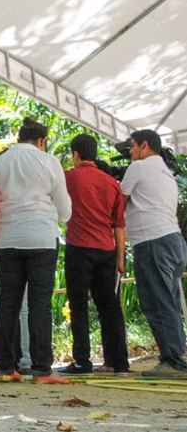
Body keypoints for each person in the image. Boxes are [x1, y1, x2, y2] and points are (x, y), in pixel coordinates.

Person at [0, 118, 71, 383]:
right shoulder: (49, 162)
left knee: (8, 302)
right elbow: (65, 210)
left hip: (6, 239)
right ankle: (41, 370)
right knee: (39, 304)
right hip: (41, 239)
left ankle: (5, 368)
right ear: (42, 141)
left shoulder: (0, 163)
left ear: (19, 137)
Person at [59, 133, 129, 375]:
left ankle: (82, 362)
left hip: (79, 248)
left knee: (78, 306)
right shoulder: (112, 183)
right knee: (110, 307)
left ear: (75, 155)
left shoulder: (68, 178)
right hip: (107, 250)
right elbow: (119, 225)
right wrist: (121, 259)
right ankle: (119, 362)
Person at [120, 129, 187, 378]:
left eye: (133, 147)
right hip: (173, 240)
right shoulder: (167, 173)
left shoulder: (140, 167)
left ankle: (172, 361)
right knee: (168, 301)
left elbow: (120, 201)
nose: (130, 153)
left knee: (157, 302)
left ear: (145, 146)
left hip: (152, 241)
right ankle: (176, 356)